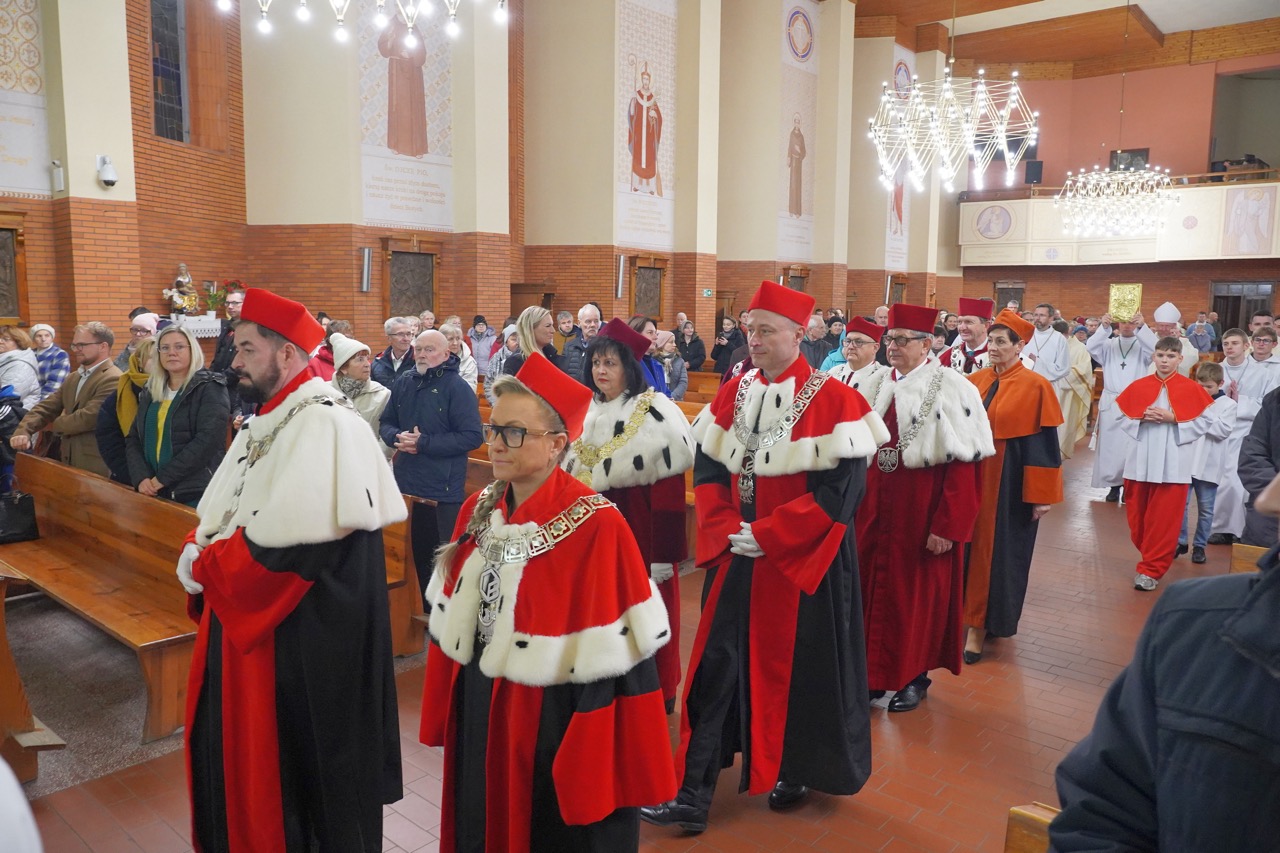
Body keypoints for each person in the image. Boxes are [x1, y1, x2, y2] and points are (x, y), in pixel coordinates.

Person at [641, 281, 887, 833]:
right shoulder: (735, 391)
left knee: (801, 673)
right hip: (738, 557)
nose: (753, 340)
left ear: (800, 335)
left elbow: (842, 494)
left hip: (805, 565)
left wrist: (773, 534)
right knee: (715, 669)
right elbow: (706, 471)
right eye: (749, 330)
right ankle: (692, 792)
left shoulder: (835, 399)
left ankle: (794, 768)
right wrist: (729, 529)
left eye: (766, 331)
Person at [419, 352, 677, 851]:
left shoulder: (599, 525)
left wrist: (584, 757)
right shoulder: (479, 508)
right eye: (494, 429)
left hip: (551, 721)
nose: (495, 444)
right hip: (479, 702)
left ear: (558, 443)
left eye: (514, 433)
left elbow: (621, 667)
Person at [179, 289, 406, 850]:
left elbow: (288, 554)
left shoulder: (326, 424)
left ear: (285, 355)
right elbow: (224, 511)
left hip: (303, 651)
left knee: (305, 793)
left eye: (247, 350)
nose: (235, 363)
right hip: (260, 640)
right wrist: (198, 543)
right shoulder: (271, 418)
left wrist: (206, 564)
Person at [1049, 488, 1280, 851]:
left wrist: (1175, 424)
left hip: (1180, 455)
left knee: (1191, 508)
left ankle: (1174, 553)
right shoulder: (1190, 625)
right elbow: (1102, 812)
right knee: (1141, 516)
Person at [856, 303, 993, 711]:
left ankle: (915, 676)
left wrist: (948, 526)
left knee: (915, 598)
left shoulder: (955, 387)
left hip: (923, 516)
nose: (892, 347)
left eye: (902, 340)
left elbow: (968, 467)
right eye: (889, 339)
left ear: (927, 342)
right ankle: (872, 675)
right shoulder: (875, 383)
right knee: (869, 591)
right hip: (872, 511)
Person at [563, 318, 694, 712]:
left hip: (641, 540)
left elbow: (670, 496)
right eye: (596, 363)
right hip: (592, 540)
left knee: (646, 617)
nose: (600, 371)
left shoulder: (657, 413)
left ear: (629, 368)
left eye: (610, 364)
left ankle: (655, 692)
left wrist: (662, 557)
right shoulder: (583, 411)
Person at [963, 311, 1064, 664]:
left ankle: (985, 623)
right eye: (990, 340)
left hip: (1009, 484)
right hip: (972, 479)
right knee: (966, 548)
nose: (992, 347)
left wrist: (1040, 498)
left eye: (1001, 342)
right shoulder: (974, 380)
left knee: (1002, 554)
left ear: (1020, 346)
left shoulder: (1037, 386)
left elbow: (1043, 447)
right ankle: (968, 616)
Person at [381, 329, 483, 593]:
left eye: (430, 350)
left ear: (446, 354)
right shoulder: (405, 382)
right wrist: (397, 437)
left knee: (441, 561)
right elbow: (387, 422)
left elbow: (472, 437)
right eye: (419, 349)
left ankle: (442, 613)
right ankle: (420, 613)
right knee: (412, 558)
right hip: (407, 485)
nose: (422, 355)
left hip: (443, 490)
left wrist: (423, 443)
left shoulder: (457, 387)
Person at [1116, 337, 1217, 591]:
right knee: (1138, 521)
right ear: (1153, 357)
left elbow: (1205, 421)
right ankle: (1150, 555)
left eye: (1171, 356)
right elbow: (1122, 417)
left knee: (1164, 521)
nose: (1165, 360)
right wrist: (1140, 417)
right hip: (1140, 462)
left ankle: (1151, 570)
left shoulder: (1191, 388)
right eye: (1160, 355)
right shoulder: (1139, 386)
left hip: (1173, 465)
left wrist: (1174, 418)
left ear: (1180, 359)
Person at [124, 325, 229, 506]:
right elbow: (134, 437)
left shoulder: (210, 387)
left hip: (194, 491)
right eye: (164, 348)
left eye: (179, 347)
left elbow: (206, 442)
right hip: (152, 488)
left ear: (192, 350)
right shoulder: (152, 389)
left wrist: (161, 479)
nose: (171, 352)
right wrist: (141, 477)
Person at [10, 322, 122, 477]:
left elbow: (89, 417)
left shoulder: (114, 378)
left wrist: (52, 425)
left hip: (96, 462)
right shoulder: (74, 377)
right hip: (69, 457)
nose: (76, 350)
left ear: (103, 346)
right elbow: (46, 407)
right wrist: (24, 430)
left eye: (82, 345)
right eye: (74, 345)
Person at [1210, 328, 1278, 544]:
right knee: (1219, 482)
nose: (1229, 348)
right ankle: (1219, 527)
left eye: (1234, 343)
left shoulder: (1263, 373)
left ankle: (1239, 530)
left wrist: (1240, 401)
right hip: (1219, 432)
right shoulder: (1217, 370)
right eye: (1226, 344)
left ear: (1245, 345)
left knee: (1236, 483)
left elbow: (1269, 407)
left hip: (1247, 431)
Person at [1088, 312, 1157, 502]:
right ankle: (1113, 486)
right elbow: (1090, 347)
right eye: (1123, 322)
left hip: (1134, 401)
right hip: (1112, 402)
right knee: (1111, 447)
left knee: (1130, 447)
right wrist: (1104, 328)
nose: (1126, 326)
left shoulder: (1142, 346)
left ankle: (1128, 485)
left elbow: (1155, 349)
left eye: (1130, 322)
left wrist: (1143, 327)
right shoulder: (1109, 344)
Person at [1176, 362, 1234, 564]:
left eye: (1209, 387)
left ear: (1220, 384)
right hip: (1188, 460)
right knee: (1181, 505)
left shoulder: (1229, 405)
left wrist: (1203, 411)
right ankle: (1180, 541)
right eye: (1201, 386)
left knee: (1206, 509)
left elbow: (1223, 432)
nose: (1204, 391)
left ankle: (1199, 546)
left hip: (1209, 463)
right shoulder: (1189, 400)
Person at [97, 337, 158, 485]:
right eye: (151, 358)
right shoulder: (121, 393)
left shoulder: (175, 390)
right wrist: (136, 477)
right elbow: (109, 440)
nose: (157, 362)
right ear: (139, 363)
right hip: (130, 476)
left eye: (159, 357)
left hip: (169, 478)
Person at [330, 332, 392, 459]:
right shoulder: (325, 393)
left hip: (372, 466)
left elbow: (389, 436)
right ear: (343, 368)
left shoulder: (382, 394)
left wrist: (370, 459)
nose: (367, 364)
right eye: (359, 359)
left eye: (367, 359)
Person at [827, 317, 890, 405]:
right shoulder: (833, 373)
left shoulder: (886, 378)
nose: (850, 346)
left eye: (858, 342)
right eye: (848, 341)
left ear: (875, 348)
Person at [1055, 319, 1094, 459]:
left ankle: (1059, 457)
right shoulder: (1048, 345)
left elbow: (1084, 370)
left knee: (1063, 429)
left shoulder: (1079, 348)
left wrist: (1057, 375)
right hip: (1048, 392)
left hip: (1068, 395)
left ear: (1067, 334)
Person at [210, 289, 246, 423]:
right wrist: (211, 376)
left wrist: (222, 379)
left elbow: (242, 362)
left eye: (235, 303)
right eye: (227, 303)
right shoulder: (226, 326)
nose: (230, 307)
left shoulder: (248, 328)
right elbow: (218, 355)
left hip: (236, 388)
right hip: (220, 383)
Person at [628, 63, 663, 195]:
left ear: (650, 81)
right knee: (638, 158)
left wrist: (655, 116)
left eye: (648, 79)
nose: (646, 82)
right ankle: (636, 185)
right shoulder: (636, 95)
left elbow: (659, 117)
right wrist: (632, 104)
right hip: (638, 134)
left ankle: (651, 188)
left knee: (649, 158)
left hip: (648, 137)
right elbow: (631, 115)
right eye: (644, 79)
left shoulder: (653, 99)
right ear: (641, 80)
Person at [938, 297, 994, 375]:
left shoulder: (999, 356)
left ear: (986, 325)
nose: (962, 327)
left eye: (969, 322)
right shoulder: (948, 357)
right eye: (959, 322)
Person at [502, 305, 560, 376]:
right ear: (530, 329)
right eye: (548, 326)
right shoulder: (516, 362)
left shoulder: (551, 356)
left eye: (552, 325)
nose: (553, 330)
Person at [1023, 303, 1069, 385]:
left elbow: (1062, 369)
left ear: (1051, 318)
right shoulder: (1025, 334)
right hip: (1025, 383)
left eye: (1042, 315)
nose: (1037, 318)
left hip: (1048, 385)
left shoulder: (1059, 339)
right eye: (1036, 315)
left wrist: (1037, 363)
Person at [1150, 302, 1199, 377]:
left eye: (1167, 326)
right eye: (1161, 325)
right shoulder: (1149, 339)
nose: (1163, 329)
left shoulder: (1183, 341)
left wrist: (1177, 341)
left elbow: (1192, 358)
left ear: (1174, 326)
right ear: (1156, 325)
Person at [0, 326, 43, 410]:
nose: (0, 341)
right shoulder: (5, 359)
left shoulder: (20, 365)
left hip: (16, 416)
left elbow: (8, 397)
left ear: (19, 342)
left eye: (6, 339)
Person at [627, 315, 669, 395]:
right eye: (650, 333)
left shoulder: (657, 365)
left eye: (656, 333)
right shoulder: (629, 365)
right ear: (636, 335)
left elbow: (665, 391)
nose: (655, 337)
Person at [372, 316, 417, 388]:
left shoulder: (419, 360)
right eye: (400, 334)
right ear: (389, 338)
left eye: (408, 334)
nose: (406, 339)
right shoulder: (378, 362)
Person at [562, 303, 601, 384]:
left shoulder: (603, 348)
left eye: (596, 321)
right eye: (588, 321)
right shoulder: (569, 346)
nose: (593, 325)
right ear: (579, 323)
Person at [30, 323, 71, 400]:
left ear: (52, 337)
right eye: (39, 336)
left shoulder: (60, 355)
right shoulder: (30, 354)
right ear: (33, 338)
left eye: (47, 335)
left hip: (49, 399)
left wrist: (40, 402)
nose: (43, 339)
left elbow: (55, 383)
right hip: (30, 398)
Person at [485, 324, 519, 406]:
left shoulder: (525, 357)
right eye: (514, 340)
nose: (518, 343)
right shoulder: (496, 358)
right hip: (499, 404)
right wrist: (495, 404)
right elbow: (488, 384)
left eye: (520, 339)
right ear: (506, 342)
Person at [440, 322, 479, 388]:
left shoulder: (469, 361)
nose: (455, 343)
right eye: (451, 339)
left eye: (458, 339)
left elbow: (470, 388)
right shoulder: (433, 359)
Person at [655, 330, 688, 400]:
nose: (674, 345)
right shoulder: (654, 361)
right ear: (662, 343)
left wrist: (672, 397)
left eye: (674, 342)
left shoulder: (679, 361)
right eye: (671, 342)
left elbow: (683, 382)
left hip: (675, 400)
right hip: (658, 400)